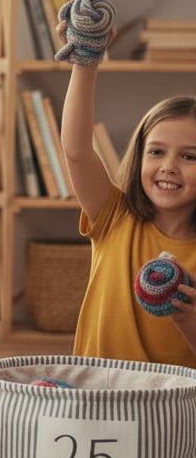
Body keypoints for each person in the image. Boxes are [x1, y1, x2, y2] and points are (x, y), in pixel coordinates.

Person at [61, 63, 196, 365]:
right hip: (94, 397)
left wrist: (188, 318)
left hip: (170, 408)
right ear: (139, 155)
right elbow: (76, 150)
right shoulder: (114, 215)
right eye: (156, 152)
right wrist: (85, 63)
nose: (169, 166)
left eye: (189, 156)